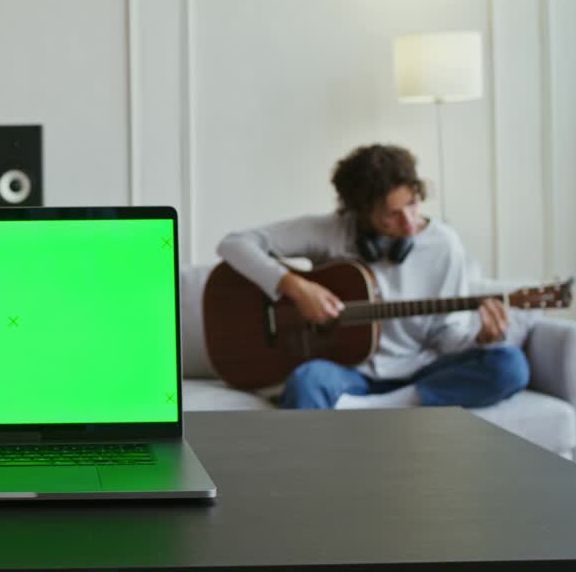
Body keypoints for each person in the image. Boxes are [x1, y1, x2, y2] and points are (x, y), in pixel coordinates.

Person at [216, 143, 528, 410]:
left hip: (418, 371)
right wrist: (295, 287)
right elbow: (233, 244)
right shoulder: (332, 232)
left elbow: (445, 337)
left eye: (412, 204)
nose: (408, 223)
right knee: (306, 381)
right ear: (360, 214)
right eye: (391, 214)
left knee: (510, 366)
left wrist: (482, 338)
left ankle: (385, 407)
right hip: (348, 372)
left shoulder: (444, 245)